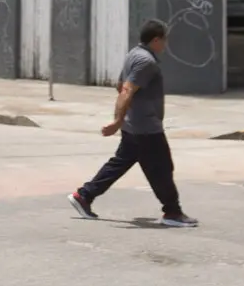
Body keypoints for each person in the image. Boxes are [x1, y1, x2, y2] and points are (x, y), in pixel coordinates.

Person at [68, 19, 198, 228]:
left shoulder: (133, 55)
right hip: (145, 128)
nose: (165, 45)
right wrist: (118, 120)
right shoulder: (146, 61)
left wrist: (125, 117)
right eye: (164, 40)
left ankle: (84, 195)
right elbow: (127, 89)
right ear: (156, 40)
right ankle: (172, 212)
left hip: (135, 125)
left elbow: (120, 85)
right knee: (162, 168)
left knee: (120, 164)